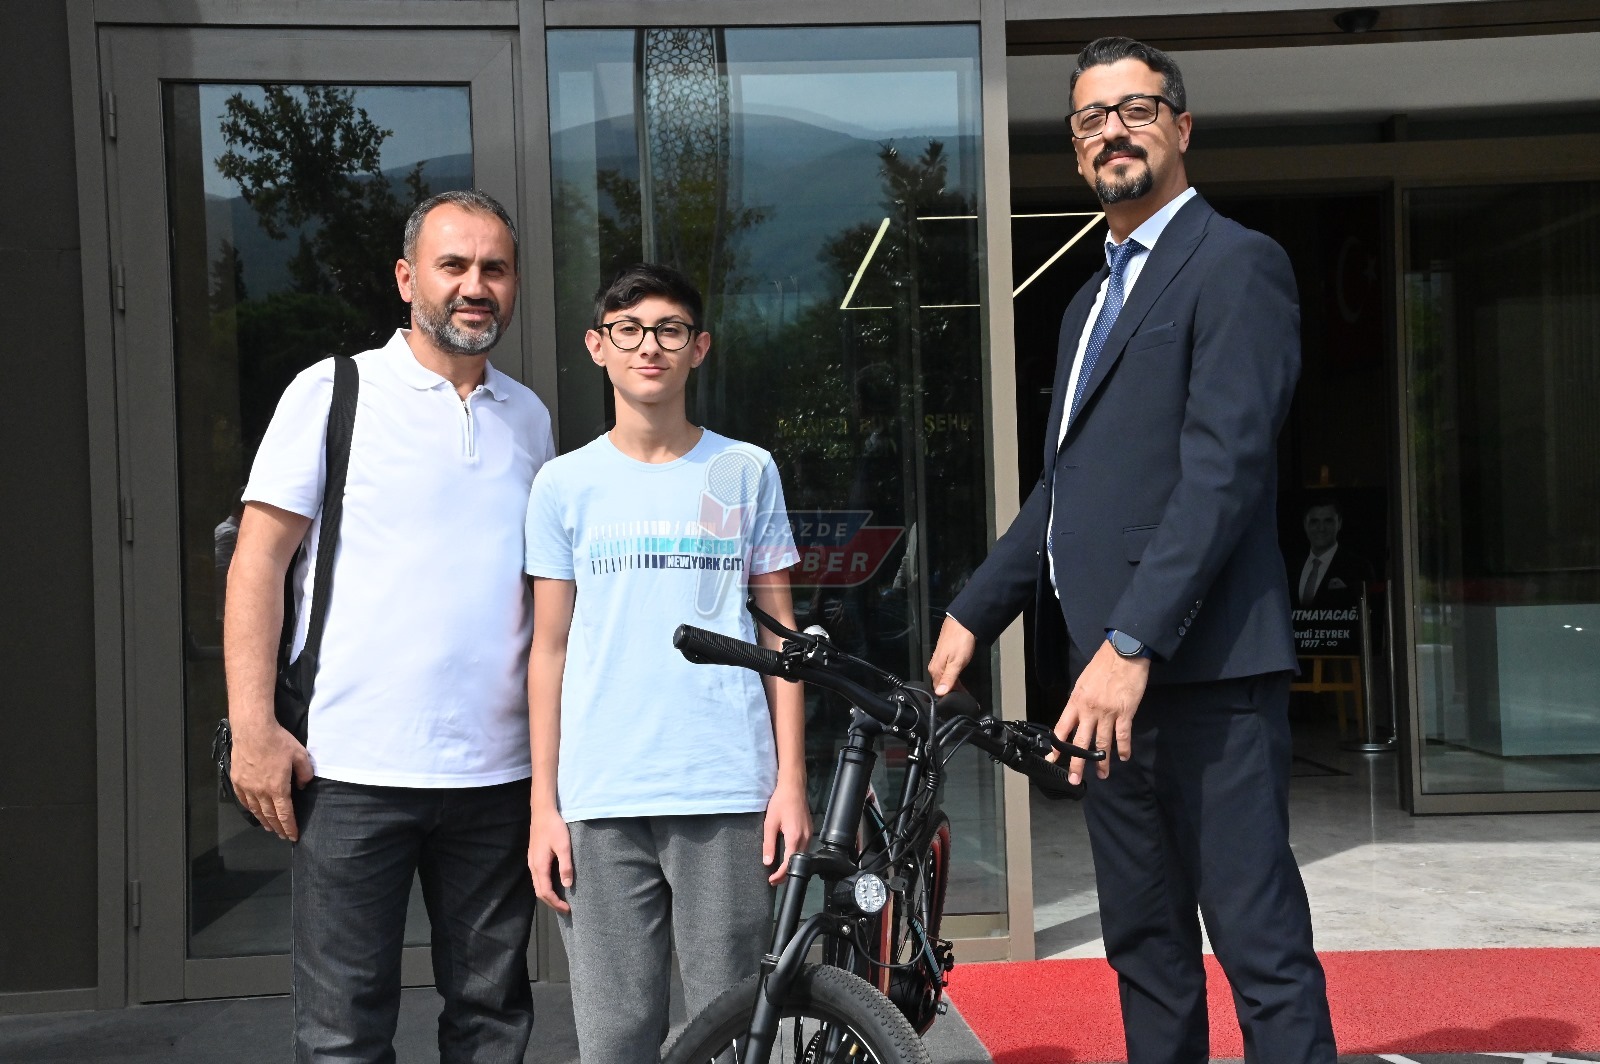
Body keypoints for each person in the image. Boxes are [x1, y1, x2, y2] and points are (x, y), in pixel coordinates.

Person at [927, 37, 1338, 1064]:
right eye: (1091, 119)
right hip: (1103, 690)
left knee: (1258, 945)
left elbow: (1223, 473)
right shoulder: (1082, 305)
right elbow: (1064, 490)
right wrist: (976, 607)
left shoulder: (1236, 263)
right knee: (1145, 947)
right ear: (1075, 148)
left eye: (1136, 109)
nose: (1113, 131)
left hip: (1205, 675)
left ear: (1180, 127)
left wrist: (1133, 639)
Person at [223, 189, 555, 1063]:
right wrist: (253, 728)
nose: (475, 285)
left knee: (492, 1021)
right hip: (350, 770)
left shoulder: (529, 418)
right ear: (408, 279)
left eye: (494, 268)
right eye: (454, 265)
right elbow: (257, 563)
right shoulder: (333, 392)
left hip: (497, 776)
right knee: (343, 1033)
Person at [523, 263, 811, 1061]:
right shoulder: (563, 484)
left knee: (731, 1029)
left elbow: (780, 639)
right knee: (615, 1037)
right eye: (628, 330)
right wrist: (543, 806)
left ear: (699, 348)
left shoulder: (743, 470)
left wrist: (790, 782)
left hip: (725, 785)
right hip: (600, 797)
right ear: (598, 347)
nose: (648, 346)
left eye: (669, 330)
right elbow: (548, 650)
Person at [1294, 499, 1371, 608]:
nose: (1321, 528)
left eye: (1328, 521)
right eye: (1314, 521)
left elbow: (1369, 609)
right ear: (1305, 524)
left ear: (1339, 523)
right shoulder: (1290, 567)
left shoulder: (1359, 567)